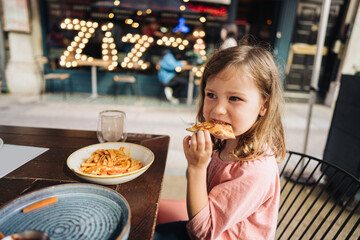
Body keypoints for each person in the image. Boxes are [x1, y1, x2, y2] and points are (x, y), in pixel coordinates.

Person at [154, 36, 286, 239]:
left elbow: (203, 232)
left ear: (264, 105)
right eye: (211, 95)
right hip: (204, 218)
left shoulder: (255, 171)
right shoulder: (225, 142)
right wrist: (197, 163)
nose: (218, 109)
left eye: (235, 98)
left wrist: (196, 167)